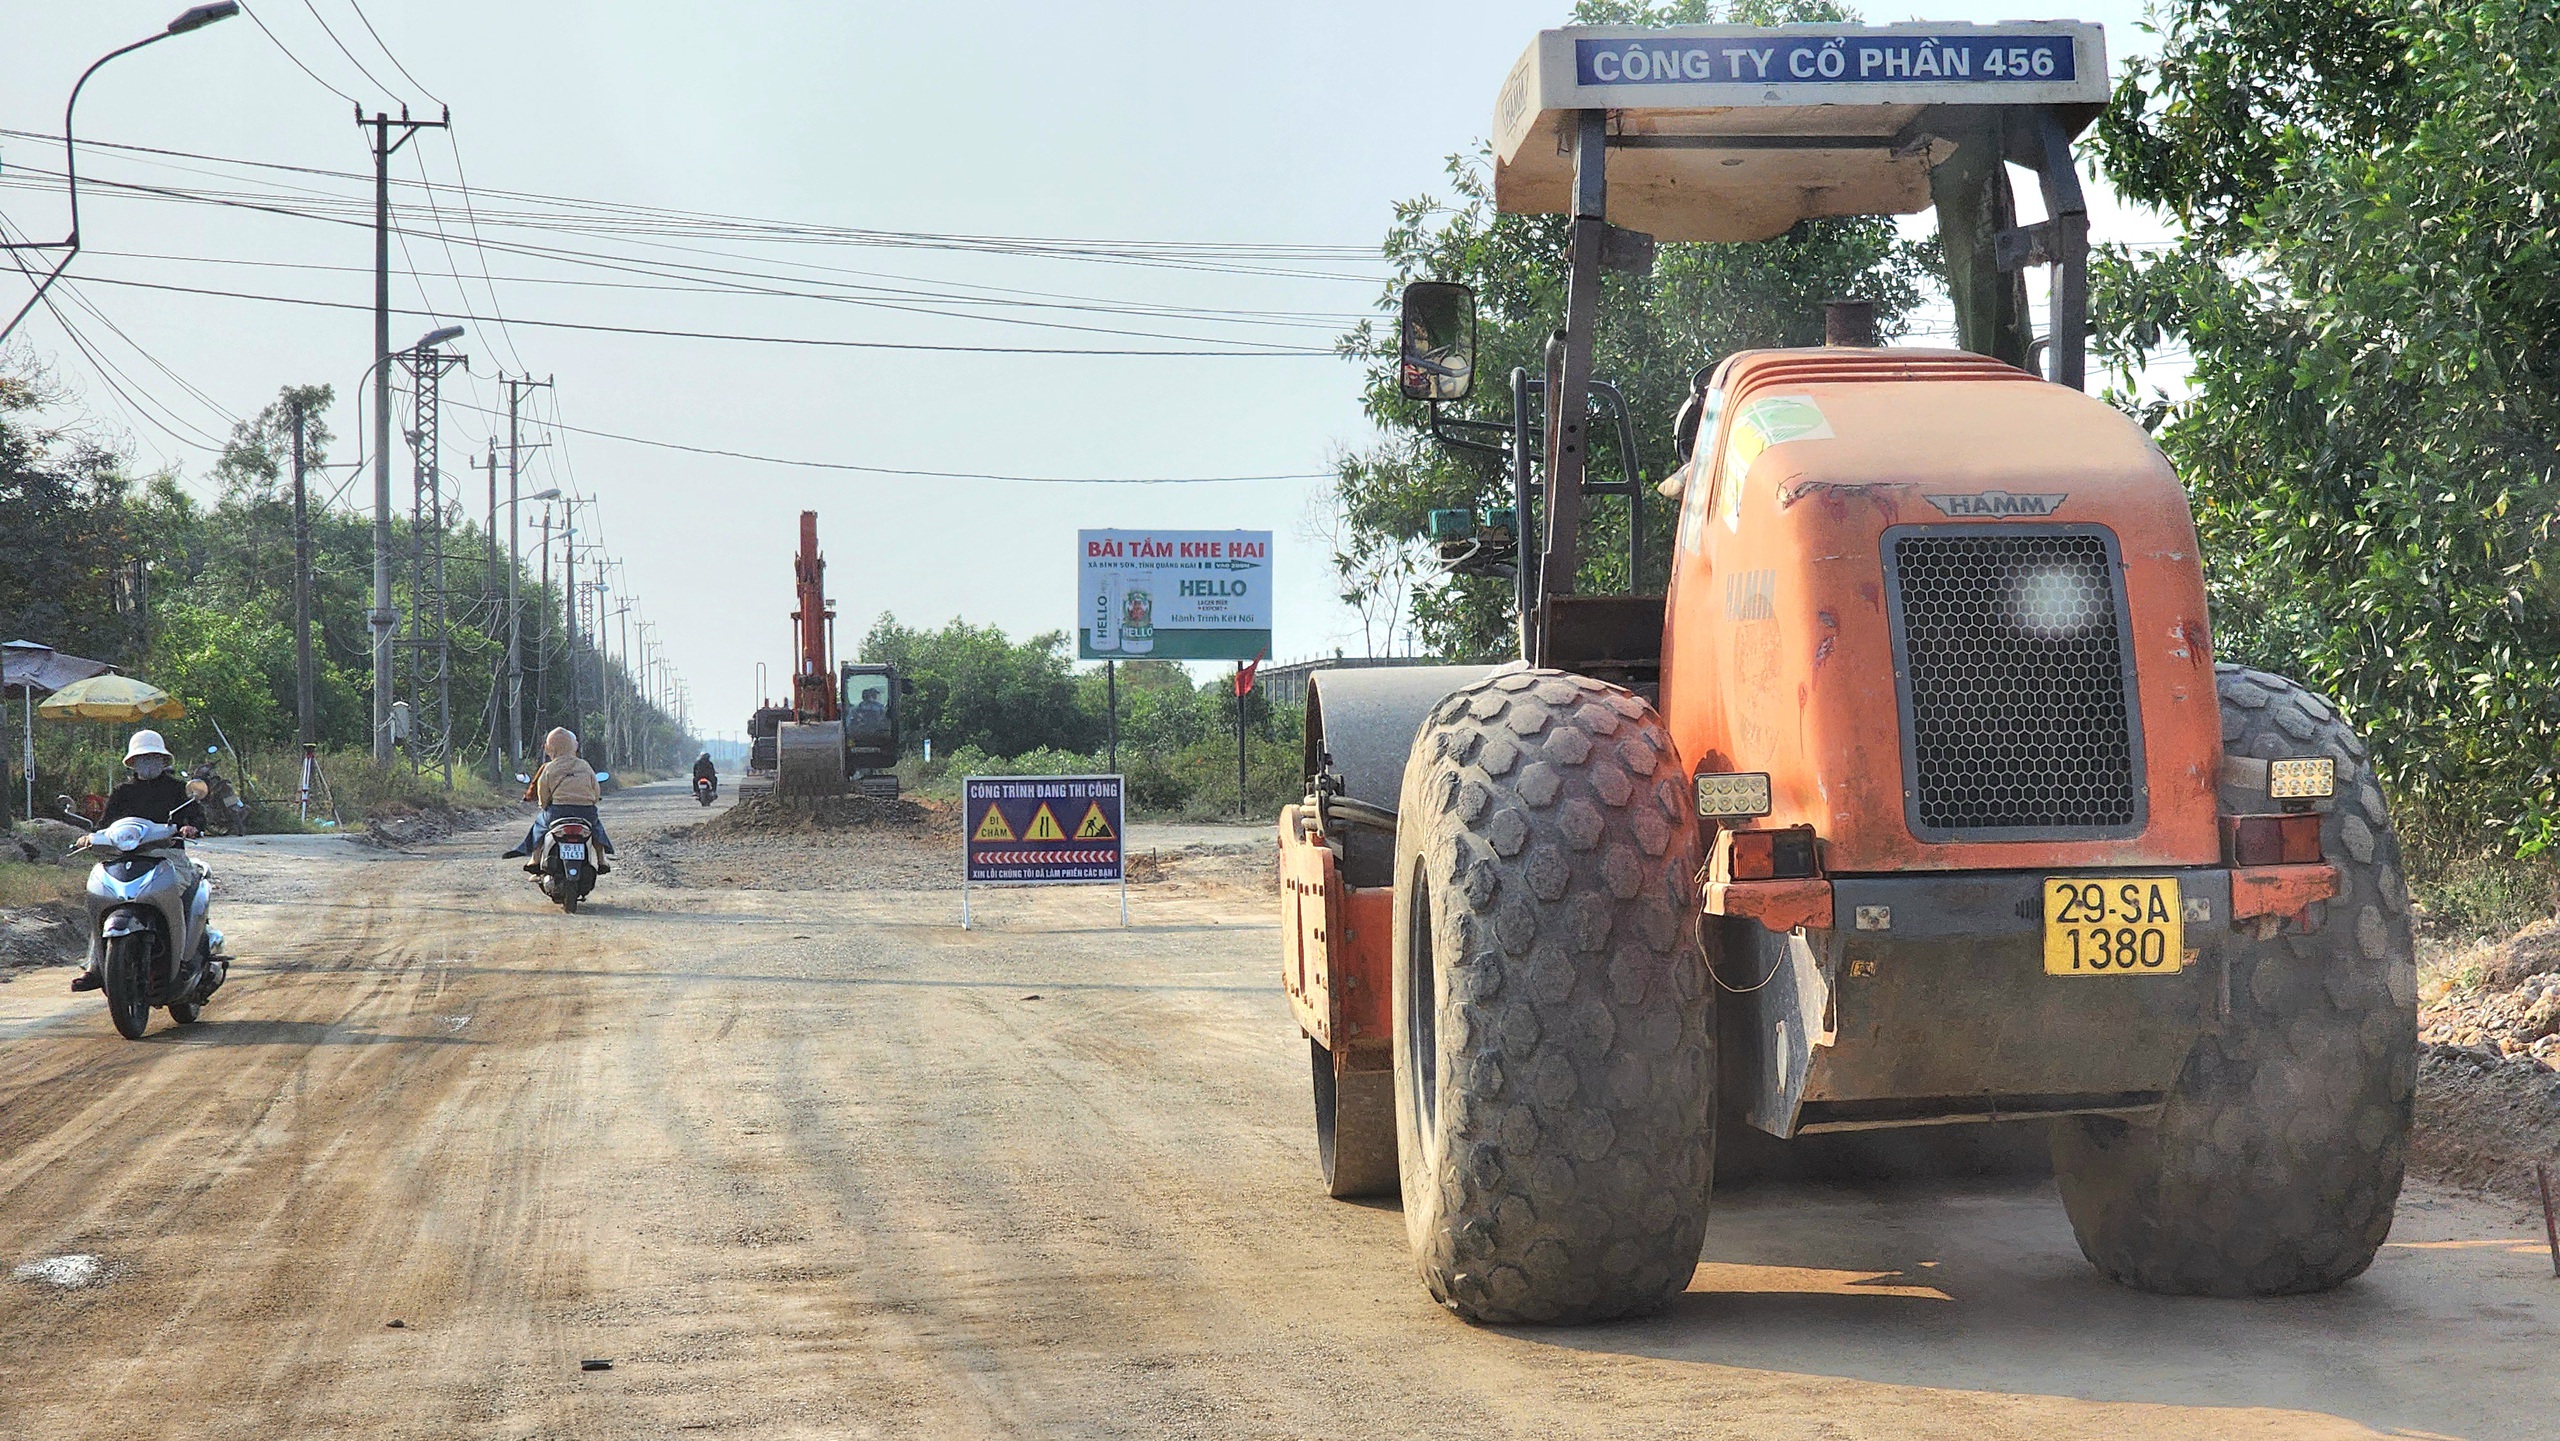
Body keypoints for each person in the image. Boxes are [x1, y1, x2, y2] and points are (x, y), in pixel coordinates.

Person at [70, 730, 206, 993]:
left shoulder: (178, 789)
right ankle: (95, 966)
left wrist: (191, 828)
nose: (148, 762)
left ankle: (184, 958)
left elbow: (197, 818)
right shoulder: (123, 792)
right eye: (143, 758)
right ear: (132, 762)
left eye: (153, 757)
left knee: (177, 894)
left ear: (163, 761)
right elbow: (105, 825)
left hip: (167, 856)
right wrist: (90, 837)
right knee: (101, 900)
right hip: (126, 858)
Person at [501, 727, 614, 864]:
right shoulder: (585, 766)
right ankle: (601, 859)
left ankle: (535, 858)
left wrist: (543, 805)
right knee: (596, 827)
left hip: (558, 811)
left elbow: (543, 792)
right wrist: (592, 801)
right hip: (586, 812)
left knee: (539, 826)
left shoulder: (549, 767)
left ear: (550, 748)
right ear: (573, 746)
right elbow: (595, 791)